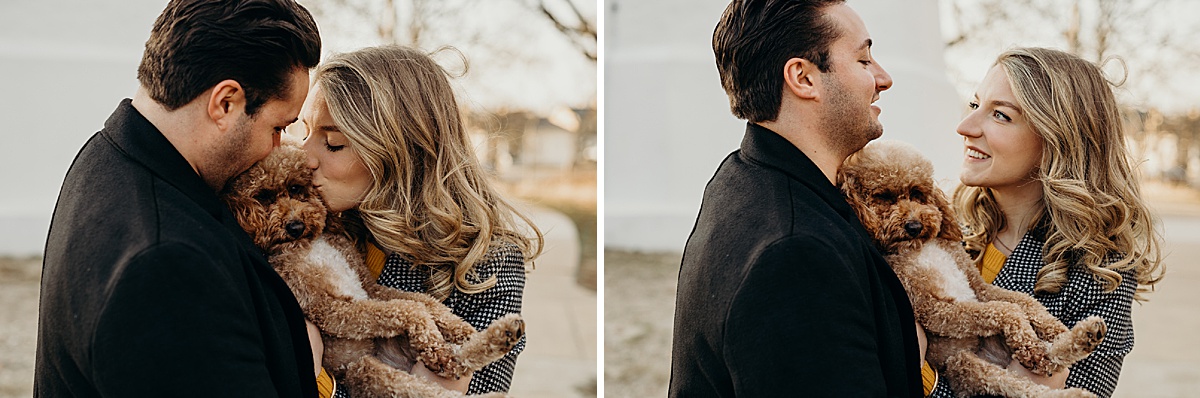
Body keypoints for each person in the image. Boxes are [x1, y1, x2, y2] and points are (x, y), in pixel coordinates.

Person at [34, 0, 322, 396]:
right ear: (226, 103)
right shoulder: (166, 266)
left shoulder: (107, 156)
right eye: (278, 126)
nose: (279, 146)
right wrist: (320, 375)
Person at [669, 0, 924, 396]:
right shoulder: (796, 255)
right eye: (863, 59)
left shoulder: (742, 177)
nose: (884, 77)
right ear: (803, 78)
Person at [299, 45, 544, 395]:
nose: (304, 156)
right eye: (304, 133)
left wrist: (317, 381)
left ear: (401, 149)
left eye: (333, 143)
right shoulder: (306, 233)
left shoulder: (489, 263)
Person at [926, 47, 1165, 398]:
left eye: (1001, 116)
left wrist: (923, 377)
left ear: (1056, 140)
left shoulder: (1099, 274)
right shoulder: (935, 225)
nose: (965, 127)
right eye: (976, 105)